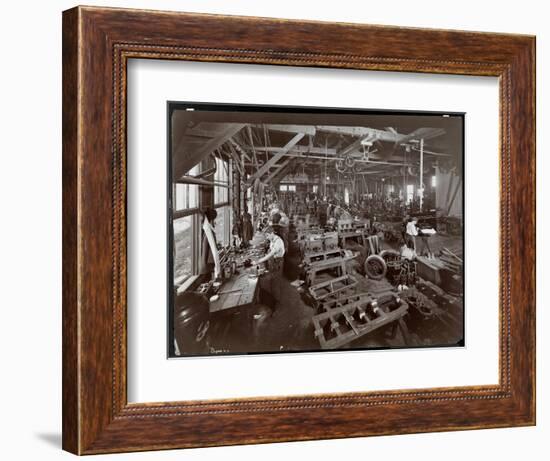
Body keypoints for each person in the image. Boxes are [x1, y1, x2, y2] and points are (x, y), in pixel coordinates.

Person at [253, 226, 286, 312]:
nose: (267, 237)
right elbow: (269, 249)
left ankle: (277, 305)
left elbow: (271, 254)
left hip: (277, 263)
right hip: (273, 262)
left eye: (267, 235)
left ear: (272, 233)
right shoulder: (273, 239)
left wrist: (258, 261)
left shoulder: (278, 241)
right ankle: (273, 301)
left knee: (275, 283)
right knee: (272, 282)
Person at [199, 208, 221, 279]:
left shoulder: (208, 228)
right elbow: (207, 249)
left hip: (208, 263)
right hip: (208, 264)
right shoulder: (208, 231)